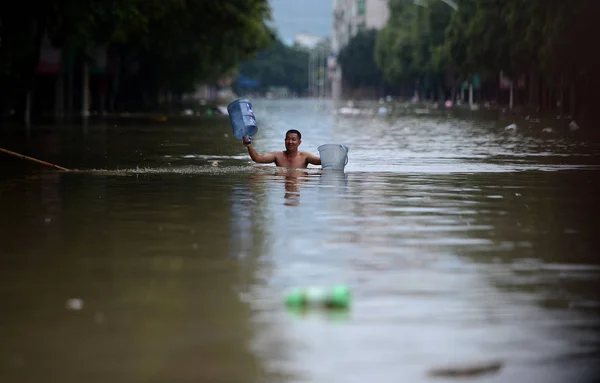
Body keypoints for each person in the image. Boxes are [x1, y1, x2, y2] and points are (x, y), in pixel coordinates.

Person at [242, 129, 321, 169]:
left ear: (299, 142)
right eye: (288, 139)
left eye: (293, 139)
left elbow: (322, 161)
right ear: (284, 140)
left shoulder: (305, 157)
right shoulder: (277, 156)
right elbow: (257, 159)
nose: (290, 142)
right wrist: (249, 145)